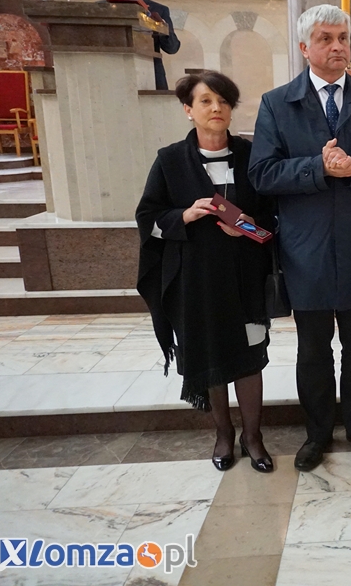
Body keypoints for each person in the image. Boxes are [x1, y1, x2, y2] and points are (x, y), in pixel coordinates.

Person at [248, 4, 351, 472]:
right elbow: (261, 173)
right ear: (305, 47)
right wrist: (316, 168)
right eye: (325, 38)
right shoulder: (277, 104)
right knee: (313, 350)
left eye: (342, 38)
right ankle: (317, 434)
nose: (337, 46)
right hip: (307, 248)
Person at [136, 71, 275, 473]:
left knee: (249, 359)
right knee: (211, 354)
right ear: (188, 110)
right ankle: (224, 434)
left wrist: (247, 226)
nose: (217, 108)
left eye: (224, 101)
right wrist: (184, 215)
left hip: (245, 279)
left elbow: (273, 217)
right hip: (196, 281)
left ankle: (253, 437)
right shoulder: (170, 160)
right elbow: (147, 217)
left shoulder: (251, 156)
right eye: (206, 101)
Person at [110, 0, 180, 90]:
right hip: (113, 76)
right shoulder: (100, 8)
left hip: (151, 76)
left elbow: (172, 48)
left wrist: (162, 28)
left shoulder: (159, 9)